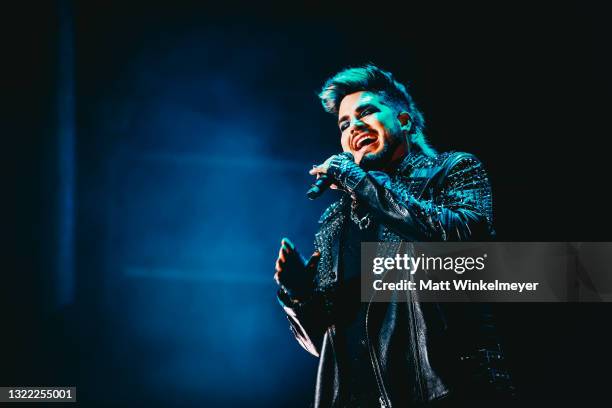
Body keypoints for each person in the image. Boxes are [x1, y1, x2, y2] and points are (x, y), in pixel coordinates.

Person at [274, 64, 513, 407]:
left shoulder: (451, 171)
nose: (354, 127)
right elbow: (320, 342)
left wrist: (358, 180)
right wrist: (298, 297)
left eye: (367, 112)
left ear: (404, 121)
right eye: (344, 124)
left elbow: (463, 241)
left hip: (444, 392)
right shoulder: (334, 221)